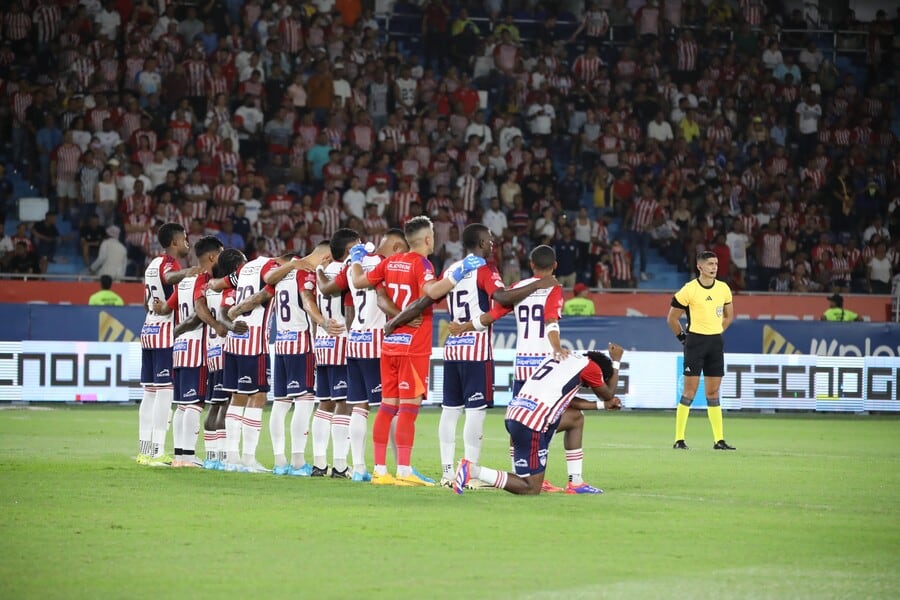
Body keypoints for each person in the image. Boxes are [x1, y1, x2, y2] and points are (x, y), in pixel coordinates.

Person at [384, 224, 559, 488]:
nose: (493, 244)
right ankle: (470, 472)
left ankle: (446, 472)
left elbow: (426, 300)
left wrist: (395, 320)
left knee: (450, 411)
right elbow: (500, 296)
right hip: (476, 350)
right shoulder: (485, 269)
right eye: (489, 240)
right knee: (475, 413)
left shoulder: (453, 269)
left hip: (452, 348)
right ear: (480, 242)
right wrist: (539, 285)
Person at [349, 215, 485, 486]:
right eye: (433, 234)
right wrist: (457, 273)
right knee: (409, 409)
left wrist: (355, 258)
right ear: (427, 239)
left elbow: (359, 281)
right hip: (413, 346)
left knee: (388, 407)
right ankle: (404, 470)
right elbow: (432, 291)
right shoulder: (421, 264)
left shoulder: (389, 262)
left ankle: (379, 469)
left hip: (389, 345)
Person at [453, 346, 623, 495]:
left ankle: (576, 482)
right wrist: (616, 362)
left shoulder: (564, 357)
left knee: (575, 418)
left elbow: (566, 399)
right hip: (533, 422)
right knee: (531, 487)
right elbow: (609, 393)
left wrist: (601, 406)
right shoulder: (590, 367)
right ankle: (473, 470)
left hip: (516, 414)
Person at [317, 229, 410, 482]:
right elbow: (382, 301)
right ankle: (398, 467)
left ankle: (358, 468)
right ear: (397, 248)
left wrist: (318, 270)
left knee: (359, 406)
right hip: (376, 343)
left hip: (354, 341)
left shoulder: (352, 263)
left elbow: (326, 288)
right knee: (389, 405)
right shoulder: (384, 264)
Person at [215, 245, 303, 472]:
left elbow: (222, 300)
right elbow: (267, 284)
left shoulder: (242, 274)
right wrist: (294, 264)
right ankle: (248, 458)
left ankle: (232, 458)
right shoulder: (268, 268)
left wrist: (232, 322)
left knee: (237, 398)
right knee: (259, 396)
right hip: (254, 343)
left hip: (234, 343)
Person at [153, 236, 224, 468]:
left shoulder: (184, 280)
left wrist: (153, 305)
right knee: (194, 405)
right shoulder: (203, 279)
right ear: (213, 256)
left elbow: (166, 307)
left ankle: (180, 456)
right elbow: (199, 309)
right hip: (197, 350)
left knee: (183, 405)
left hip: (180, 350)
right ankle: (189, 456)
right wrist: (215, 324)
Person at [137, 223, 196, 466]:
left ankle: (144, 451)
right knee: (164, 393)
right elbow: (170, 277)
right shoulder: (170, 264)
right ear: (174, 242)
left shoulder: (151, 264)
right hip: (163, 332)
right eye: (184, 239)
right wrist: (190, 272)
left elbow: (145, 302)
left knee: (149, 393)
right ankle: (158, 450)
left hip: (148, 327)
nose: (187, 243)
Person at [666, 250, 736, 451]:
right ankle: (679, 439)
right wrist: (683, 338)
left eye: (715, 264)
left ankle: (719, 440)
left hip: (715, 343)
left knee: (713, 392)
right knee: (690, 391)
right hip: (695, 342)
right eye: (710, 264)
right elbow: (672, 318)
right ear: (700, 267)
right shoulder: (689, 290)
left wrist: (715, 331)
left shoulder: (723, 289)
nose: (714, 267)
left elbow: (729, 316)